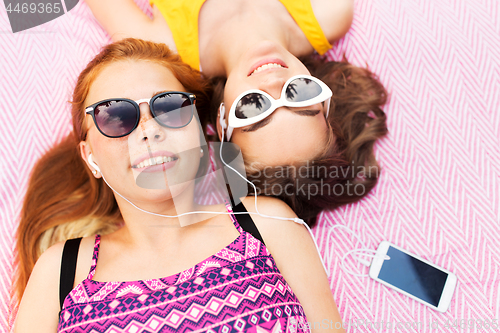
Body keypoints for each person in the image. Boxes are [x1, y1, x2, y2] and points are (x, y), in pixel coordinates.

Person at [14, 39, 345, 333]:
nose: (149, 129)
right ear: (91, 158)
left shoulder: (266, 223)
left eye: (170, 107)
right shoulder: (60, 271)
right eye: (115, 117)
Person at [84, 0, 388, 226]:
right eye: (300, 94)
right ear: (324, 98)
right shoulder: (329, 12)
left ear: (222, 119)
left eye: (253, 107)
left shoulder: (160, 49)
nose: (273, 82)